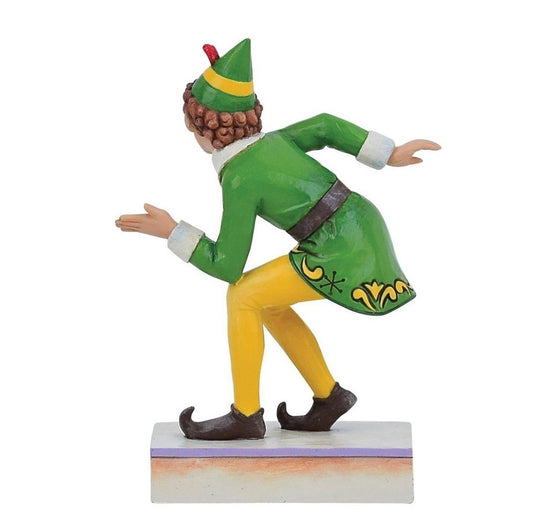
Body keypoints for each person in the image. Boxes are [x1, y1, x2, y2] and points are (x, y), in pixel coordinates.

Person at [116, 38, 440, 440]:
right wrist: (387, 153)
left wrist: (172, 232)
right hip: (360, 221)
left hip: (342, 246)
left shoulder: (239, 176)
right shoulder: (274, 141)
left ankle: (246, 414)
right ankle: (330, 396)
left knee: (242, 295)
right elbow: (325, 125)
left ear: (205, 129)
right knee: (267, 301)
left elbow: (227, 265)